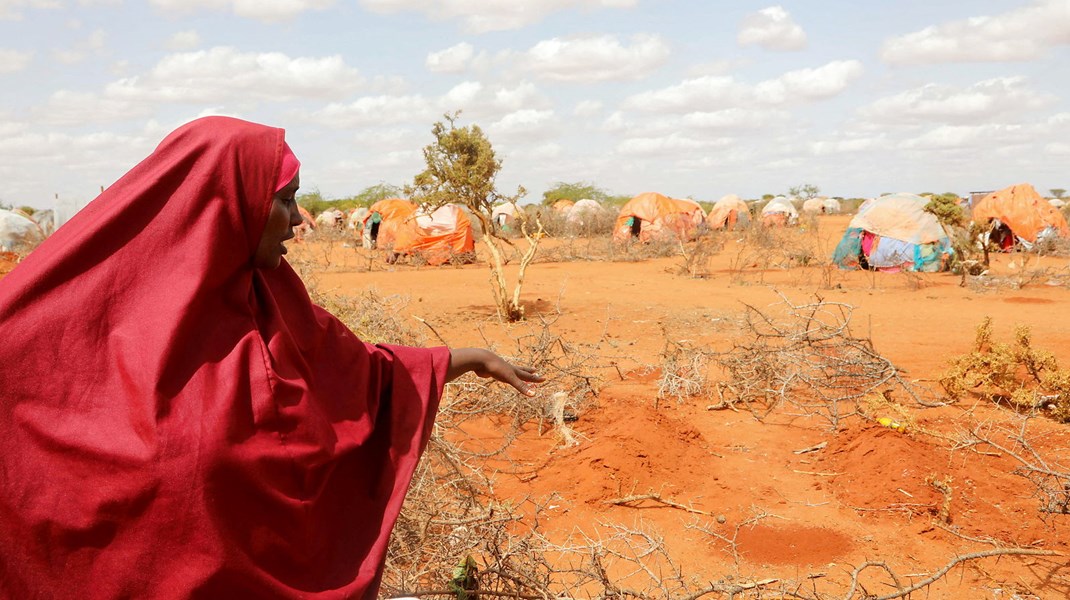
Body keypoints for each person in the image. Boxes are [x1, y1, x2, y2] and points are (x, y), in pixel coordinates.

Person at [0, 116, 543, 598]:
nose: (298, 218)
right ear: (225, 200)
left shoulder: (276, 299)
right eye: (284, 200)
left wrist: (466, 359)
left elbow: (358, 372)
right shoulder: (90, 317)